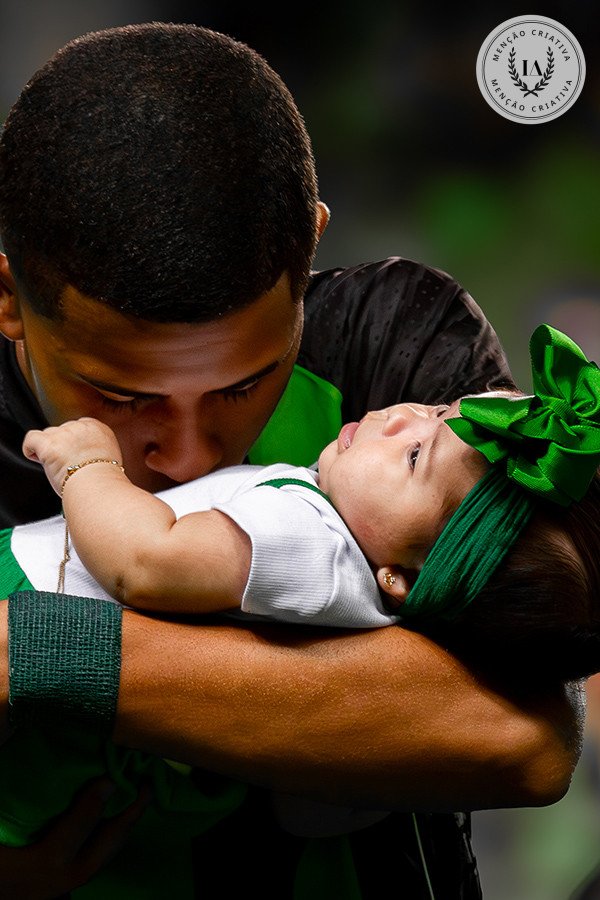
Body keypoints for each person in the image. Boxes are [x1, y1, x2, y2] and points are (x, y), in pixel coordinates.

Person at [0, 21, 584, 900]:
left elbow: (519, 739)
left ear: (310, 248)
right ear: (10, 301)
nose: (189, 454)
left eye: (245, 384)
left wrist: (36, 650)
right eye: (123, 398)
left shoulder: (395, 346)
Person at [1, 322, 598, 859]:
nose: (400, 416)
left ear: (403, 580)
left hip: (31, 595)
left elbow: (147, 561)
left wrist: (87, 467)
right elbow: (313, 811)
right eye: (439, 411)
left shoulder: (313, 540)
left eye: (415, 457)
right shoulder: (358, 610)